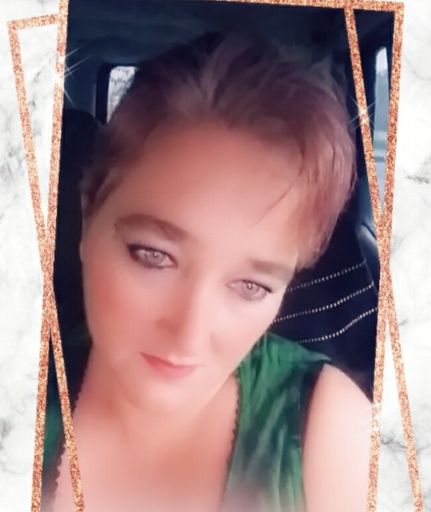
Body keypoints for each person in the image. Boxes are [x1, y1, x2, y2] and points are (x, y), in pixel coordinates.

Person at [42, 31, 372, 512]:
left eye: (251, 286)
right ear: (88, 212)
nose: (189, 333)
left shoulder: (334, 435)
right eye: (154, 256)